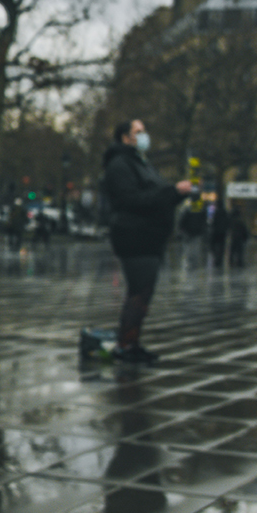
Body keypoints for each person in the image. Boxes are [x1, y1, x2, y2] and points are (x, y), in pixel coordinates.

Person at [101, 120, 194, 365]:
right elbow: (132, 199)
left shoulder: (140, 163)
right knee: (139, 291)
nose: (144, 136)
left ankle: (131, 342)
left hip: (149, 237)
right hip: (135, 236)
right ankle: (126, 344)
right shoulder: (120, 165)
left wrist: (174, 194)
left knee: (143, 292)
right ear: (125, 137)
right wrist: (172, 192)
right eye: (138, 132)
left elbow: (155, 196)